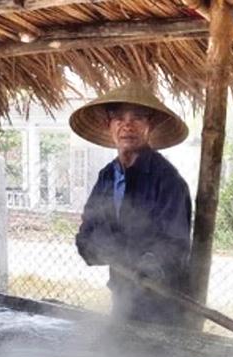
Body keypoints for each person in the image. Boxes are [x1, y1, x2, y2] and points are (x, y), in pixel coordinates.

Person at [70, 82, 192, 327]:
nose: (127, 125)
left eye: (137, 117)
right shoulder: (107, 176)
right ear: (109, 125)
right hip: (122, 292)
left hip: (162, 301)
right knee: (119, 346)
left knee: (154, 350)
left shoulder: (167, 180)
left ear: (150, 125)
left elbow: (175, 244)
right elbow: (88, 233)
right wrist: (99, 249)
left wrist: (151, 263)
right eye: (119, 118)